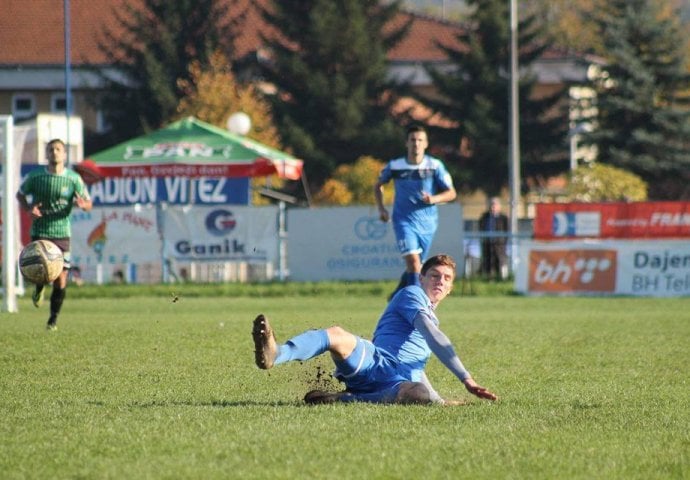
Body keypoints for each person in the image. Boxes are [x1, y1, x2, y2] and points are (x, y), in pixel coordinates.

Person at [252, 254, 497, 405]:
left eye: (446, 278)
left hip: (394, 384)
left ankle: (343, 399)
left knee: (420, 394)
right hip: (374, 363)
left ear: (450, 288)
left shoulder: (431, 315)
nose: (440, 281)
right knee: (336, 333)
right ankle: (276, 353)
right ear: (421, 278)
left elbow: (415, 368)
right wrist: (466, 378)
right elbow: (434, 337)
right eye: (434, 275)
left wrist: (440, 400)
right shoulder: (412, 294)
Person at [16, 139, 93, 330]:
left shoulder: (73, 179)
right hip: (40, 231)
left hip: (62, 233)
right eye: (51, 149)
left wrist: (84, 205)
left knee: (61, 278)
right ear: (46, 154)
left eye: (58, 149)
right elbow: (20, 194)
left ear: (65, 154)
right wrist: (29, 209)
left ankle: (53, 320)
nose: (55, 152)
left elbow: (88, 202)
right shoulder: (35, 176)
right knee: (40, 271)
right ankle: (39, 287)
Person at [374, 125, 457, 299]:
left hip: (428, 223)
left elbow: (451, 193)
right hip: (403, 220)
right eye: (412, 140)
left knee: (418, 266)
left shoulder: (434, 165)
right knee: (413, 262)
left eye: (420, 140)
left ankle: (398, 294)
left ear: (426, 144)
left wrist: (433, 199)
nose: (416, 144)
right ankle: (414, 304)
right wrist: (381, 209)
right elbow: (378, 184)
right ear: (407, 143)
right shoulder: (396, 165)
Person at [478, 197, 508, 281]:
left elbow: (506, 230)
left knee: (500, 260)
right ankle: (489, 279)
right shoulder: (484, 217)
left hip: (499, 244)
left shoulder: (503, 218)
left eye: (494, 204)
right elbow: (480, 228)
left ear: (499, 206)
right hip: (487, 242)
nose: (492, 206)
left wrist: (504, 241)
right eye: (491, 204)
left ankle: (501, 279)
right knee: (488, 261)